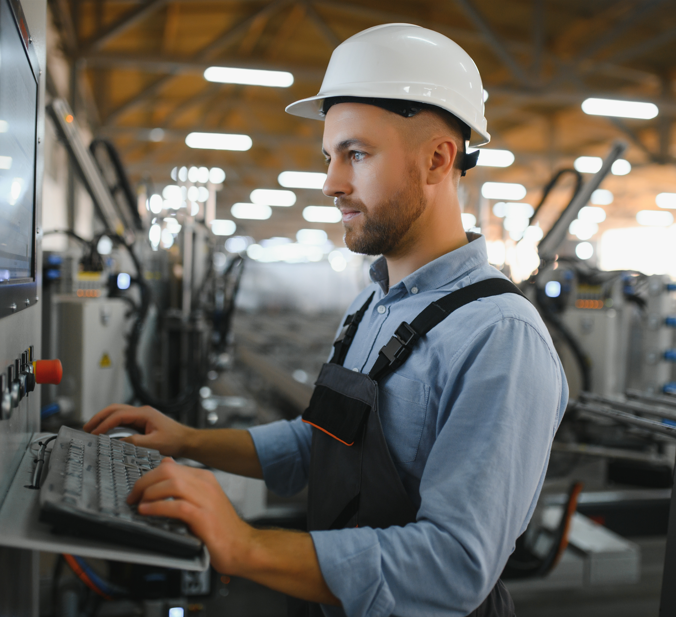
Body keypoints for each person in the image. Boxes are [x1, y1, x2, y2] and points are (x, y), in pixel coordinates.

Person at [84, 23, 567, 617]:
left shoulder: (498, 337)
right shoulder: (374, 304)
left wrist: (248, 545)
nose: (330, 182)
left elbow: (453, 566)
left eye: (356, 154)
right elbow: (325, 443)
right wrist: (187, 441)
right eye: (330, 156)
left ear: (438, 160)